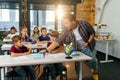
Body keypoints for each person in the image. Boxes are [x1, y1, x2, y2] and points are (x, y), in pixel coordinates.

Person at [40, 13, 98, 78]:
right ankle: (79, 77)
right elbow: (58, 41)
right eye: (64, 23)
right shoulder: (67, 29)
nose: (65, 25)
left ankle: (95, 71)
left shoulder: (84, 24)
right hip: (77, 48)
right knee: (77, 64)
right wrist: (47, 50)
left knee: (92, 60)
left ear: (73, 21)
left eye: (66, 23)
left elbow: (92, 33)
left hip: (88, 46)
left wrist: (88, 42)